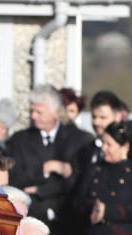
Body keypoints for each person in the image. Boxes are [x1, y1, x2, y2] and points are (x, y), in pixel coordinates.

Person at [5, 84, 92, 222]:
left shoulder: (79, 140)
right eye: (31, 111)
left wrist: (39, 189)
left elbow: (79, 181)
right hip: (31, 218)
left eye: (39, 112)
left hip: (68, 221)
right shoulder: (19, 140)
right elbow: (13, 177)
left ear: (56, 112)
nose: (33, 116)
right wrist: (44, 169)